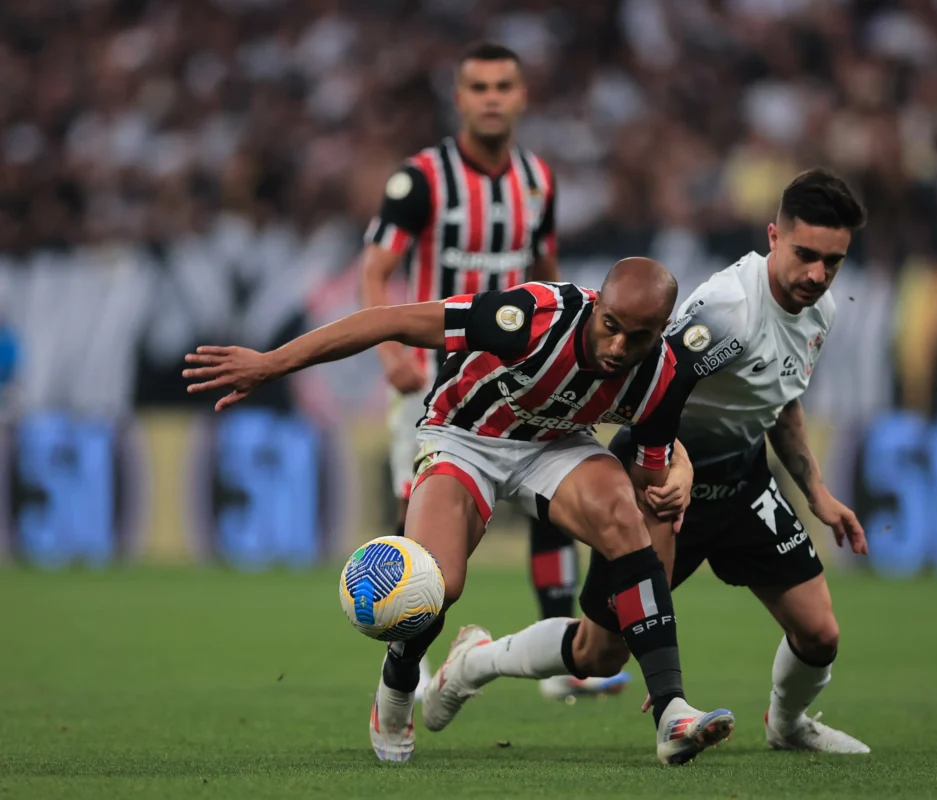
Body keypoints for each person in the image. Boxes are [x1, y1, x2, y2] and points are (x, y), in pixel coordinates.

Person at [182, 257, 735, 766]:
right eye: (610, 325)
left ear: (661, 332)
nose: (617, 347)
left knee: (630, 517)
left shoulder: (663, 374)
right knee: (435, 582)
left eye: (637, 337)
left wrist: (649, 612)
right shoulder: (532, 317)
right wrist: (271, 363)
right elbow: (387, 320)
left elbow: (650, 484)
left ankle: (671, 710)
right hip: (464, 436)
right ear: (597, 306)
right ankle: (396, 689)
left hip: (555, 445)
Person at [424, 169, 873, 754]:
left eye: (832, 262)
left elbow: (781, 397)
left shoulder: (821, 310)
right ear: (773, 237)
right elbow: (654, 396)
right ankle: (473, 663)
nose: (817, 274)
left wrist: (817, 494)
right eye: (806, 255)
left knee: (820, 633)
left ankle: (786, 725)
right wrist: (675, 471)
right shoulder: (726, 313)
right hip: (659, 481)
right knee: (598, 652)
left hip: (741, 483)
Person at [359, 41, 616, 702]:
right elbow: (376, 270)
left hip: (523, 377)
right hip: (435, 382)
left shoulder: (538, 180)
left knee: (556, 506)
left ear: (522, 96)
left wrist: (569, 357)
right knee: (415, 512)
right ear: (460, 98)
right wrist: (390, 352)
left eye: (505, 85)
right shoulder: (420, 179)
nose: (493, 97)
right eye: (480, 87)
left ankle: (560, 663)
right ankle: (405, 653)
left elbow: (547, 273)